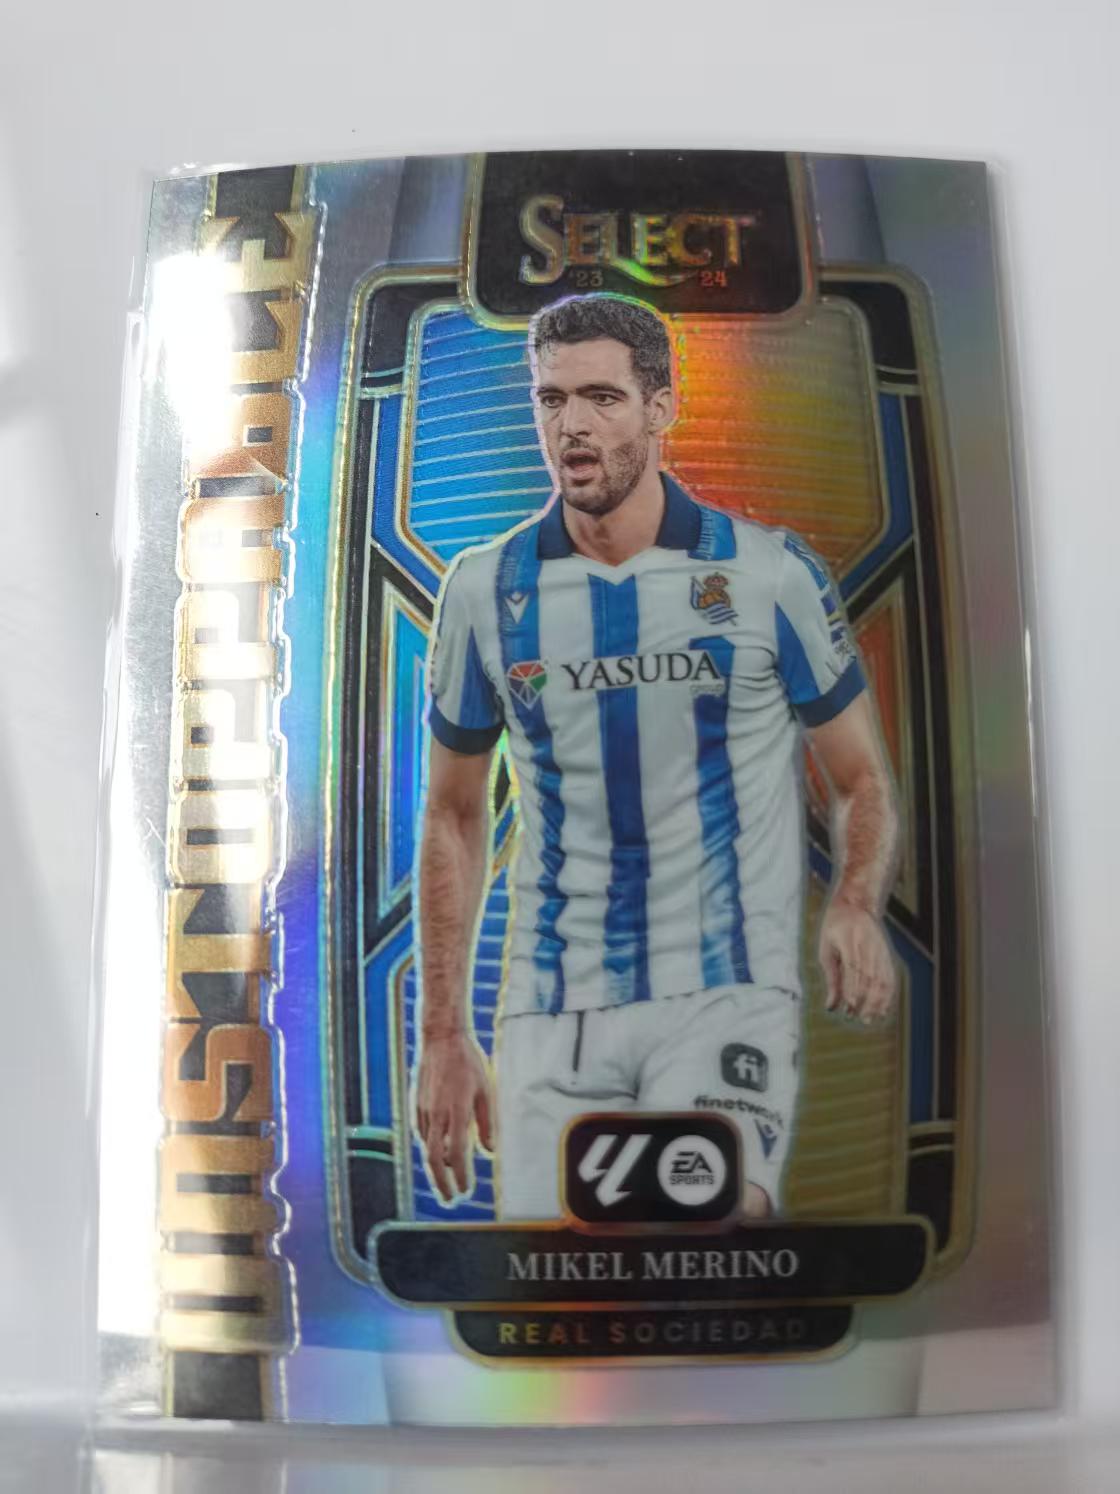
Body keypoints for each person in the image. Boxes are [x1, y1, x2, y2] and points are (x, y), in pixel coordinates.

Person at [413, 293, 898, 1221]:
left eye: (601, 397)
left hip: (723, 996)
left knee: (704, 1230)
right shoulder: (484, 589)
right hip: (548, 1013)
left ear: (661, 407)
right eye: (552, 399)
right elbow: (454, 813)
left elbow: (860, 778)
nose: (573, 426)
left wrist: (854, 899)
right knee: (565, 1282)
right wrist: (443, 1030)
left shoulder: (768, 574)